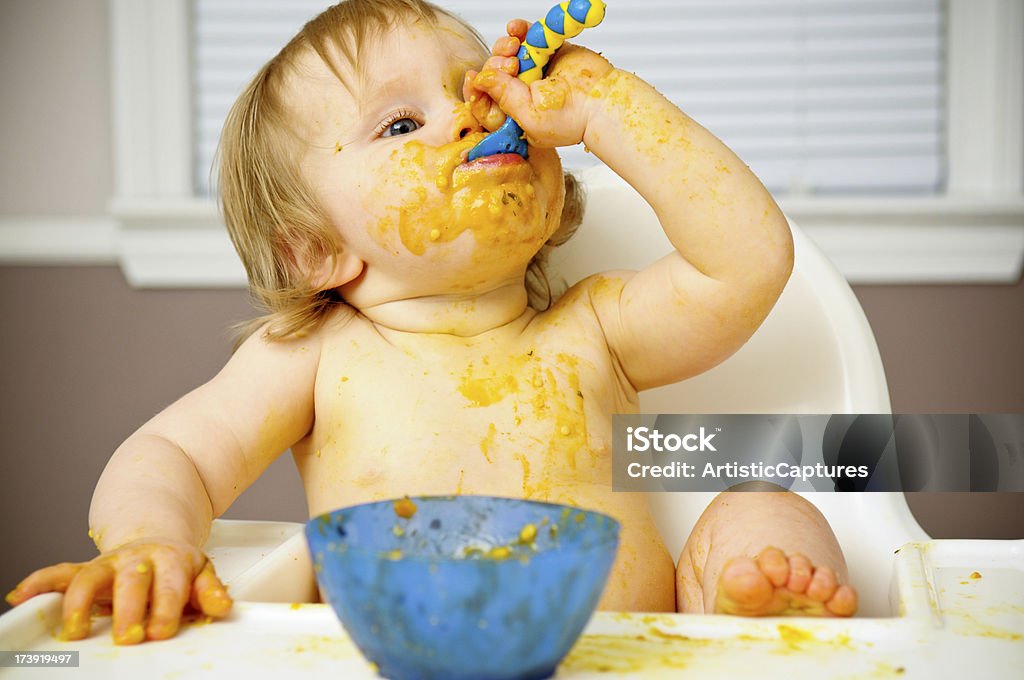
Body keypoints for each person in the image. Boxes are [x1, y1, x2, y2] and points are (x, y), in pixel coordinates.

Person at [6, 0, 857, 645]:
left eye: (471, 95)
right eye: (403, 123)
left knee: (761, 501)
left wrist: (611, 109)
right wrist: (153, 541)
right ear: (313, 251)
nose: (468, 118)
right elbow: (176, 455)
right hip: (404, 658)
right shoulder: (316, 355)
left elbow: (745, 261)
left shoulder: (595, 329)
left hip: (634, 654)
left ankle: (759, 627)